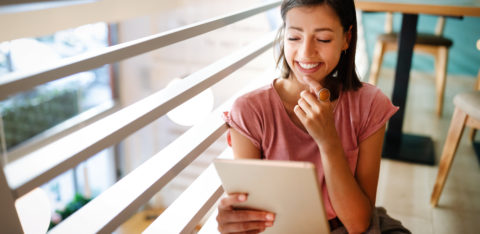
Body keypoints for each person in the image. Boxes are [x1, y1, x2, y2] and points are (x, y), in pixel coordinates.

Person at [217, 0, 410, 233]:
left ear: (347, 38)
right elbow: (250, 212)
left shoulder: (370, 104)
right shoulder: (250, 110)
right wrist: (235, 221)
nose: (306, 52)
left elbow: (358, 224)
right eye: (294, 37)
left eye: (323, 39)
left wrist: (328, 141)